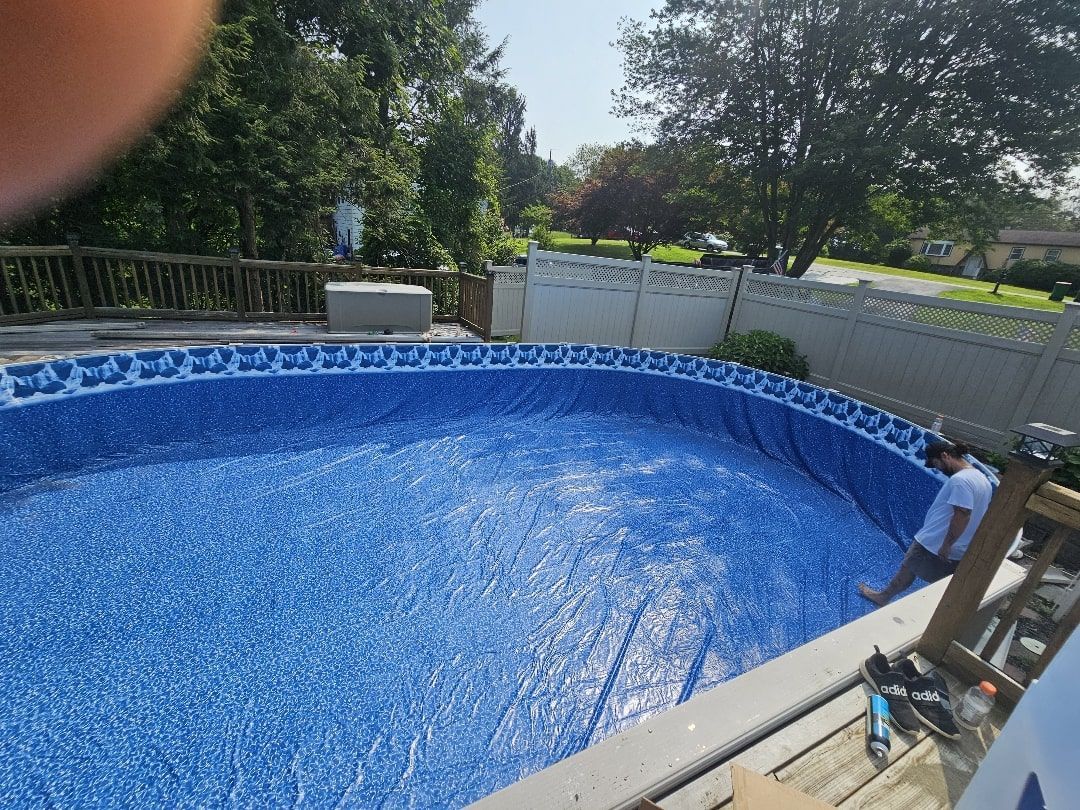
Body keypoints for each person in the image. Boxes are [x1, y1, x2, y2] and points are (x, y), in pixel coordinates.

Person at [858, 440, 993, 606]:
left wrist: (946, 544)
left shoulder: (961, 481)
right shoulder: (982, 479)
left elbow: (962, 514)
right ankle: (939, 611)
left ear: (945, 456)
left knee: (908, 568)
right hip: (960, 545)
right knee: (943, 583)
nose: (939, 470)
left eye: (937, 464)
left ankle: (883, 597)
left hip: (936, 541)